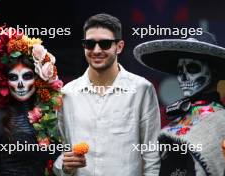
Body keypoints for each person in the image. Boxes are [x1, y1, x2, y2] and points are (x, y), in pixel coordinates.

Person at [53, 13, 161, 176]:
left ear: (119, 46)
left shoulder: (141, 89)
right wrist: (66, 168)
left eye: (104, 44)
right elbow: (63, 156)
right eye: (89, 44)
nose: (96, 50)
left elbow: (152, 156)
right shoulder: (68, 94)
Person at [134, 32, 225, 175]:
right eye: (180, 70)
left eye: (192, 68)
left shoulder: (224, 121)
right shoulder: (180, 117)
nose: (183, 77)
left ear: (214, 71)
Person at [0, 28, 63, 175]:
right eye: (13, 77)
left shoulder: (50, 117)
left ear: (38, 78)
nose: (21, 84)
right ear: (4, 81)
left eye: (27, 76)